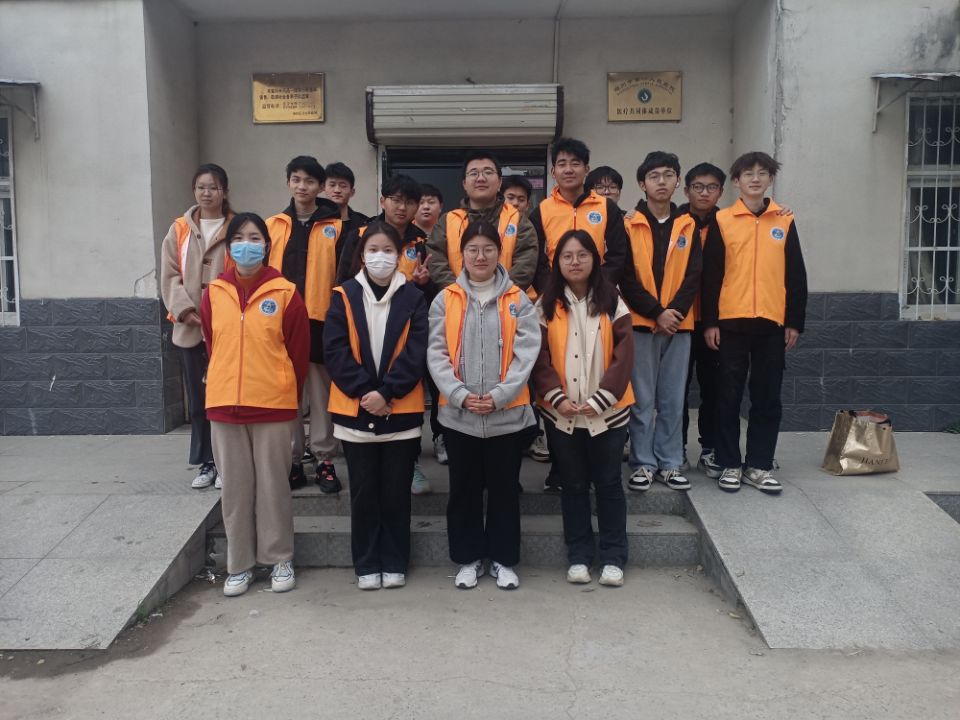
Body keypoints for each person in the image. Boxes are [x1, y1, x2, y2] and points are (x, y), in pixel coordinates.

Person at [200, 212, 309, 597]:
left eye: (255, 238)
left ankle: (279, 558)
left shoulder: (286, 292)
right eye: (239, 238)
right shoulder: (214, 293)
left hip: (272, 406)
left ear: (266, 245)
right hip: (224, 405)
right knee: (235, 489)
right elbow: (213, 345)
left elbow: (298, 354)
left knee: (273, 486)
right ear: (229, 248)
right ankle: (240, 564)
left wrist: (284, 392)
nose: (247, 245)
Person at [428, 220, 540, 590]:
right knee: (463, 490)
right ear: (461, 255)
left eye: (488, 249)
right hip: (459, 416)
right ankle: (468, 558)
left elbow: (527, 353)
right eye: (473, 249)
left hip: (506, 415)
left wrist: (501, 395)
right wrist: (458, 394)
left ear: (499, 253)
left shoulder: (518, 300)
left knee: (505, 490)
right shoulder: (446, 299)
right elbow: (436, 353)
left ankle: (504, 559)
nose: (480, 256)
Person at [324, 221, 428, 590]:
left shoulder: (414, 297)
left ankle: (395, 560)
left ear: (399, 255)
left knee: (396, 494)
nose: (380, 257)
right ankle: (367, 563)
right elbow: (334, 350)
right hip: (355, 412)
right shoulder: (344, 295)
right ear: (362, 255)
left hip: (400, 412)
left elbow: (417, 351)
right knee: (364, 494)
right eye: (373, 250)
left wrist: (387, 393)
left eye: (387, 250)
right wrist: (367, 393)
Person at [532, 229, 634, 587]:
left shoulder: (613, 300)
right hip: (562, 414)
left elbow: (625, 355)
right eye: (567, 256)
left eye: (582, 255)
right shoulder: (545, 304)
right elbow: (538, 357)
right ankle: (578, 555)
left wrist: (603, 397)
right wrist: (555, 397)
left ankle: (613, 557)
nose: (575, 262)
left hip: (608, 413)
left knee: (608, 485)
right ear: (556, 262)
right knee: (573, 486)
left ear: (595, 259)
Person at [702, 151, 808, 494]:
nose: (756, 179)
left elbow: (796, 275)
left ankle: (759, 465)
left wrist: (794, 322)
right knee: (727, 396)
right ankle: (730, 463)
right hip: (730, 324)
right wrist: (710, 322)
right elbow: (711, 276)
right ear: (737, 181)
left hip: (771, 325)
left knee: (767, 398)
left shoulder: (784, 221)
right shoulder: (723, 221)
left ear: (770, 180)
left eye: (763, 173)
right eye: (748, 173)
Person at [530, 137, 628, 490]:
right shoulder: (542, 210)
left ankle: (598, 467)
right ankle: (561, 469)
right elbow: (536, 259)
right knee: (559, 375)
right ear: (553, 171)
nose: (568, 169)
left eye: (575, 163)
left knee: (594, 373)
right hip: (556, 305)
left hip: (598, 303)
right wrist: (554, 292)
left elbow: (617, 254)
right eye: (562, 163)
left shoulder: (607, 208)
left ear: (587, 168)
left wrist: (598, 290)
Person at [336, 176, 434, 494]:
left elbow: (429, 296)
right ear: (383, 201)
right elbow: (342, 279)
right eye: (396, 199)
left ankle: (411, 463)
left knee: (404, 391)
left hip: (405, 326)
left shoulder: (421, 241)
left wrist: (423, 284)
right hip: (363, 323)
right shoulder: (359, 234)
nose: (402, 207)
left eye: (409, 201)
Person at [620, 151, 702, 493]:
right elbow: (626, 277)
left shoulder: (688, 224)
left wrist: (673, 313)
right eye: (654, 176)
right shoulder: (628, 224)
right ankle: (642, 462)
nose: (662, 182)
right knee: (642, 399)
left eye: (668, 175)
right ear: (642, 183)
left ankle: (670, 462)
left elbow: (694, 274)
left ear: (677, 181)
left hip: (679, 325)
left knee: (672, 399)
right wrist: (656, 312)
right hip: (641, 323)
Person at [266, 156, 344, 494]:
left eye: (310, 181)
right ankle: (294, 460)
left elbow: (342, 275)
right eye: (296, 179)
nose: (302, 186)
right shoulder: (273, 225)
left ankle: (325, 460)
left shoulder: (335, 226)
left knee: (320, 393)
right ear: (288, 182)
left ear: (320, 187)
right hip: (279, 323)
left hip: (320, 323)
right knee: (289, 394)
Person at [160, 163, 235, 490]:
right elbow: (170, 275)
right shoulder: (179, 229)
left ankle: (226, 461)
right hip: (190, 329)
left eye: (213, 187)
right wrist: (187, 311)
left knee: (227, 397)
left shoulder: (236, 227)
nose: (207, 193)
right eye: (201, 187)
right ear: (194, 191)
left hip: (229, 329)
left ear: (224, 191)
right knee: (199, 397)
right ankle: (207, 462)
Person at [426, 150, 538, 292]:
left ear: (500, 182)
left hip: (506, 300)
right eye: (473, 173)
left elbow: (525, 265)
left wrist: (497, 295)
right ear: (464, 184)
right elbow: (436, 260)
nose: (481, 178)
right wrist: (460, 293)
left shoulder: (518, 221)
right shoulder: (447, 221)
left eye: (488, 172)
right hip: (456, 299)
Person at [677, 163, 726, 479]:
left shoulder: (728, 224)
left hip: (714, 324)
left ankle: (710, 448)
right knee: (675, 391)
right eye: (698, 186)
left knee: (714, 390)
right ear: (687, 190)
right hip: (679, 321)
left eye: (711, 187)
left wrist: (714, 320)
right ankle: (675, 449)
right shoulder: (675, 222)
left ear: (720, 192)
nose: (704, 193)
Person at [323, 162, 369, 237]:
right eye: (332, 185)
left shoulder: (364, 224)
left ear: (352, 192)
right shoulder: (314, 221)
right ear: (323, 188)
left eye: (343, 186)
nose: (337, 190)